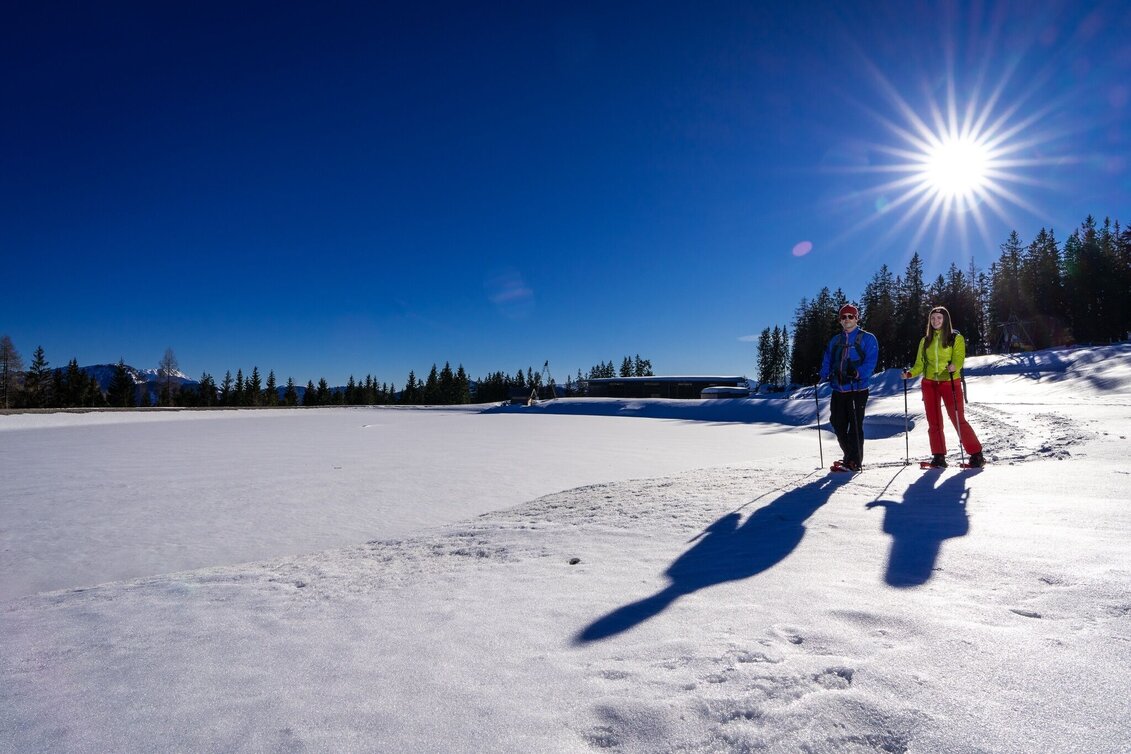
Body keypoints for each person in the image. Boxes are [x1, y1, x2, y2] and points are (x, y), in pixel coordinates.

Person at [902, 306, 985, 468]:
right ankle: (939, 456)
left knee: (957, 418)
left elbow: (959, 358)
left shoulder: (955, 338)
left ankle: (976, 454)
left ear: (945, 320)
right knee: (934, 421)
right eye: (933, 318)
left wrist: (955, 366)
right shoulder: (925, 340)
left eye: (939, 318)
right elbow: (919, 364)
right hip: (929, 383)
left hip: (950, 382)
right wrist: (910, 374)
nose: (935, 321)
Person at [818, 303, 879, 472]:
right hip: (838, 389)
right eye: (843, 317)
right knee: (837, 422)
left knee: (855, 425)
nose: (847, 320)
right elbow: (828, 358)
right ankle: (849, 456)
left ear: (857, 318)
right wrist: (823, 374)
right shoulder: (835, 340)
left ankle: (854, 461)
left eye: (850, 316)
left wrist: (858, 373)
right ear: (840, 320)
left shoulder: (867, 338)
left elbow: (871, 361)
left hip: (857, 388)